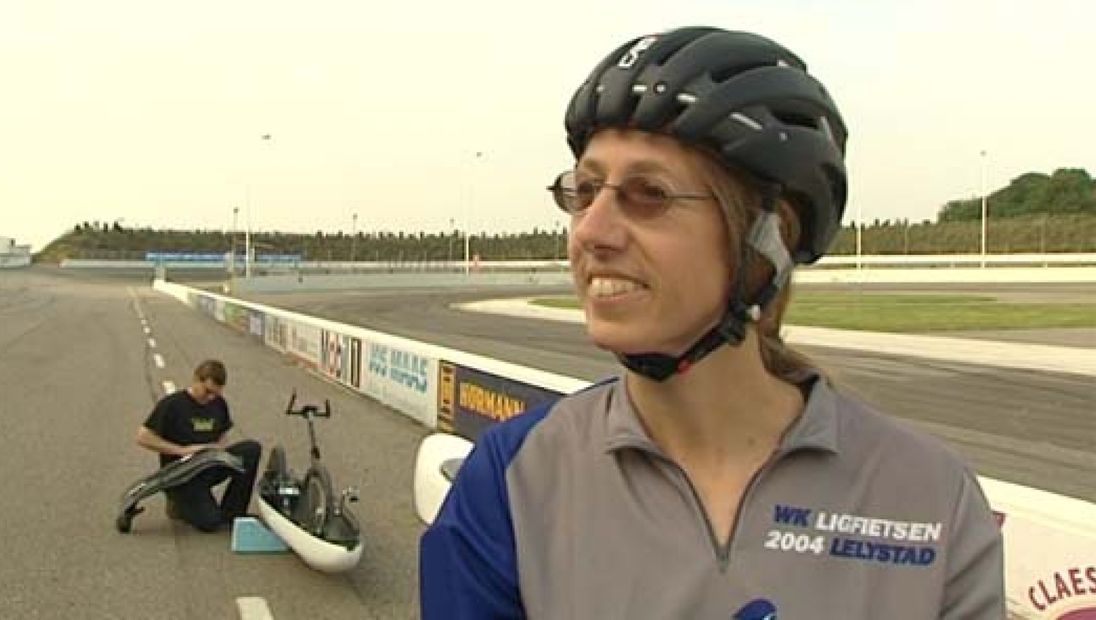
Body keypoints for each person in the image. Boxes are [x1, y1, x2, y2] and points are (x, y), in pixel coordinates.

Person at [420, 26, 1004, 618]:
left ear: (770, 239)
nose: (592, 232)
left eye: (649, 193)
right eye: (586, 190)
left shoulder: (933, 497)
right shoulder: (511, 480)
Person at [135, 359, 261, 532]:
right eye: (207, 392)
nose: (211, 397)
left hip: (208, 465)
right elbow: (143, 437)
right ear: (196, 379)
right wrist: (181, 450)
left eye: (215, 394)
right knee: (210, 523)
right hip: (182, 475)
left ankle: (233, 512)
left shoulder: (219, 403)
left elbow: (223, 434)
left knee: (251, 449)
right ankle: (178, 505)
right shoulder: (172, 404)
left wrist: (218, 449)